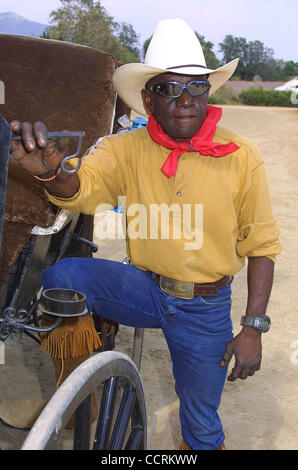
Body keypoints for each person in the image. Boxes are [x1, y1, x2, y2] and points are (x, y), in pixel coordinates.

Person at [9, 18, 281, 450]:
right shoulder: (126, 148)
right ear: (150, 99)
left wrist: (252, 327)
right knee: (63, 277)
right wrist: (52, 174)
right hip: (144, 287)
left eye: (196, 86)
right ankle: (84, 394)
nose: (186, 99)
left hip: (204, 307)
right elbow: (85, 188)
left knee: (203, 428)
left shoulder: (241, 157)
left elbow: (262, 247)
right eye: (170, 88)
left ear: (208, 93)